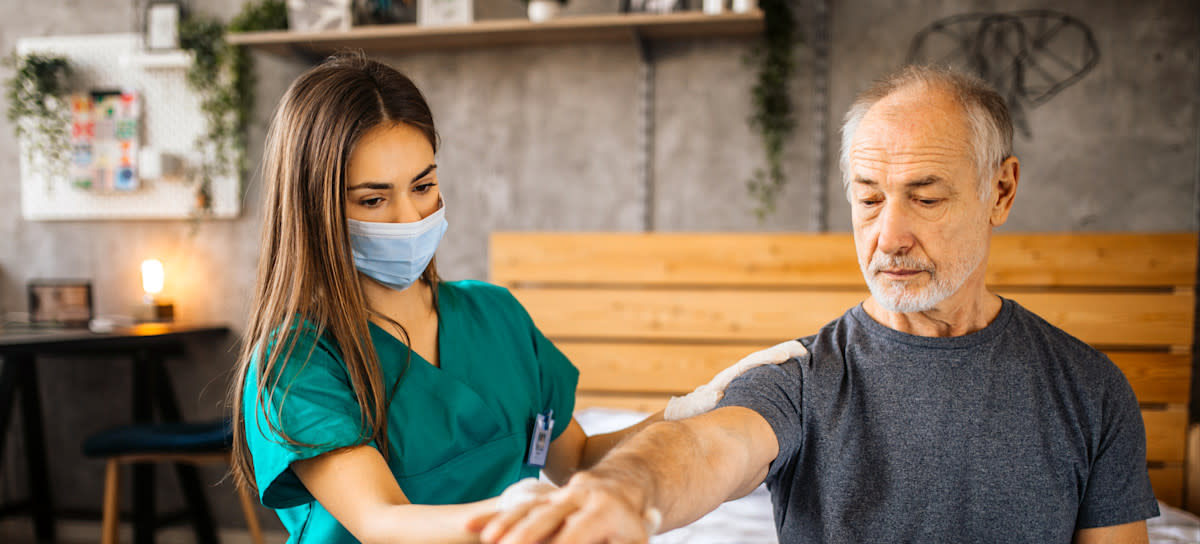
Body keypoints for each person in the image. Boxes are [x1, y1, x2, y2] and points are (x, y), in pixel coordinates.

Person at [472, 65, 1159, 544]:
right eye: (867, 198)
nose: (889, 235)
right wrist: (626, 492)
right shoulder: (801, 375)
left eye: (925, 197)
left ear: (1000, 192)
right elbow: (705, 446)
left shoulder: (1089, 391)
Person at [227, 52, 680, 544]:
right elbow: (383, 521)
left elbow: (578, 460)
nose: (410, 217)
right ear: (314, 210)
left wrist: (688, 413)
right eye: (373, 200)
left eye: (423, 186)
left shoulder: (496, 316)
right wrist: (521, 518)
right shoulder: (299, 361)